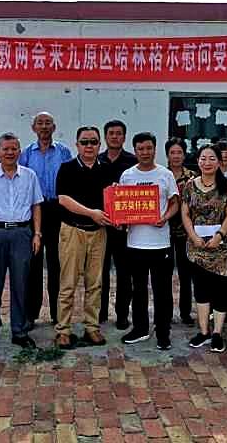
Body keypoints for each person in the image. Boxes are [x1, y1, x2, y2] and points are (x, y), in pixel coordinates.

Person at [0, 133, 43, 353]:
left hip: (22, 233)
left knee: (21, 284)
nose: (10, 153)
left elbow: (36, 206)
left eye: (14, 149)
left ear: (19, 151)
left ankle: (20, 331)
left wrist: (37, 233)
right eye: (6, 149)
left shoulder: (30, 176)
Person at [119, 132, 179, 350]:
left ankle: (163, 332)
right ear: (135, 151)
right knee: (138, 289)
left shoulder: (165, 175)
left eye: (149, 148)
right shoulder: (127, 175)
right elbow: (122, 206)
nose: (145, 152)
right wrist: (121, 221)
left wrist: (165, 217)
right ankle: (140, 328)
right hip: (135, 243)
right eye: (140, 149)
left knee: (162, 290)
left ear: (155, 149)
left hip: (160, 243)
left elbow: (175, 203)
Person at [54, 126, 111, 348]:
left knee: (95, 283)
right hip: (72, 230)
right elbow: (63, 199)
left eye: (94, 142)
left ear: (99, 145)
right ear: (77, 145)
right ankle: (63, 330)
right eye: (84, 142)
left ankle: (92, 327)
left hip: (99, 232)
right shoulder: (67, 168)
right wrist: (91, 213)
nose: (89, 146)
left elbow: (112, 199)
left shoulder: (106, 170)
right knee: (68, 283)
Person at [181, 145, 227, 353]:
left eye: (212, 158)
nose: (207, 162)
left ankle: (217, 333)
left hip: (220, 248)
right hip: (197, 247)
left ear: (219, 161)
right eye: (203, 158)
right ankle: (204, 331)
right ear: (198, 161)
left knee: (221, 291)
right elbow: (185, 214)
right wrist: (193, 236)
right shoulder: (189, 186)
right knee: (201, 289)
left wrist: (220, 235)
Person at [19, 112, 72, 327]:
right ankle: (31, 314)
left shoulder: (63, 151)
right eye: (39, 123)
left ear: (54, 126)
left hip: (58, 210)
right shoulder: (26, 154)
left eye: (47, 123)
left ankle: (57, 313)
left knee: (57, 264)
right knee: (33, 264)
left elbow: (70, 179)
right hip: (34, 212)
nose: (44, 126)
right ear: (33, 127)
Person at [98, 119, 137, 329]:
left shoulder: (132, 161)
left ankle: (122, 314)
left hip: (123, 228)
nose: (115, 136)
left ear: (124, 136)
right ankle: (100, 312)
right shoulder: (96, 160)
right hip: (100, 225)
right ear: (106, 136)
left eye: (119, 133)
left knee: (124, 273)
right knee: (98, 272)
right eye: (111, 133)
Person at [165, 137, 196, 326]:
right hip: (164, 231)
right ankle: (166, 313)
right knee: (165, 274)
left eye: (179, 153)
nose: (176, 156)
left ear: (184, 155)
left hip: (186, 232)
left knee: (186, 274)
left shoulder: (193, 177)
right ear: (167, 155)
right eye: (172, 153)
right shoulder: (161, 174)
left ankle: (185, 313)